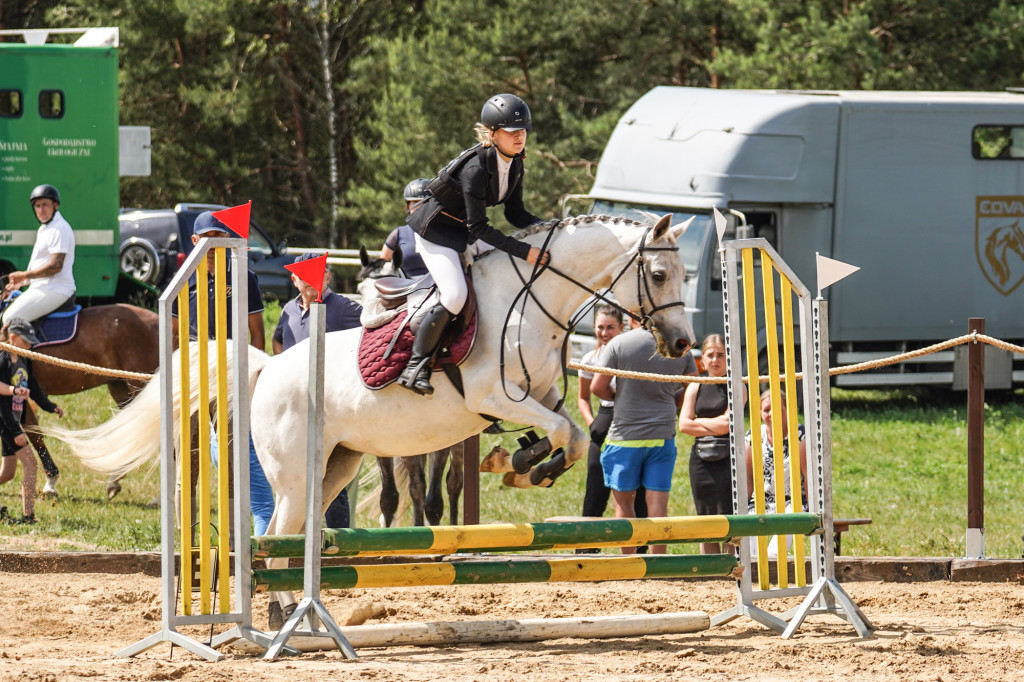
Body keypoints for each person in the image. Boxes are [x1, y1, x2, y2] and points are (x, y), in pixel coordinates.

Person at [399, 93, 550, 395]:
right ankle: (414, 365)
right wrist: (526, 251)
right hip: (434, 232)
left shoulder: (516, 163)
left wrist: (548, 228)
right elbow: (479, 226)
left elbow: (515, 213)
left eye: (522, 131)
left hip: (462, 233)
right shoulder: (476, 168)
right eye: (511, 132)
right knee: (455, 296)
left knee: (497, 279)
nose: (520, 137)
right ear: (492, 134)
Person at [171, 211, 274, 536]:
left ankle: (231, 536)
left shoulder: (244, 276)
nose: (214, 246)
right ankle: (185, 536)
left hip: (231, 377)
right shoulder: (183, 278)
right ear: (194, 241)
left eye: (220, 238)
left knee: (232, 455)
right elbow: (174, 336)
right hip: (191, 376)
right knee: (187, 462)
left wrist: (251, 377)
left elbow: (256, 333)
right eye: (208, 239)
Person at [273, 251, 363, 528]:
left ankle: (340, 545)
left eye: (318, 273)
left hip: (331, 408)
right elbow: (277, 342)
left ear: (327, 276)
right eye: (305, 275)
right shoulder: (288, 310)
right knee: (294, 478)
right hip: (295, 410)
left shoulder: (346, 308)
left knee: (331, 480)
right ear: (294, 279)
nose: (312, 280)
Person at [590, 324, 697, 554]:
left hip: (624, 437)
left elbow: (597, 387)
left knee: (623, 505)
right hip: (661, 436)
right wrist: (670, 399)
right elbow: (693, 387)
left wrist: (620, 398)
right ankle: (658, 565)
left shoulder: (618, 343)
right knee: (658, 505)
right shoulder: (679, 343)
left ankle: (629, 565)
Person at [577, 307, 648, 533]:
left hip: (632, 418)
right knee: (596, 485)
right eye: (600, 327)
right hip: (604, 417)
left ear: (621, 328)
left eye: (610, 327)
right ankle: (587, 548)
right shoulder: (590, 358)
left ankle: (639, 546)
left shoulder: (631, 355)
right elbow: (583, 397)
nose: (605, 332)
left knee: (637, 485)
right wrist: (592, 423)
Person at [678, 334, 746, 554]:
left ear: (730, 358)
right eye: (710, 355)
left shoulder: (738, 385)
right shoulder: (696, 385)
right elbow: (683, 425)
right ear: (703, 360)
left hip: (729, 459)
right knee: (704, 515)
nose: (715, 360)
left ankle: (730, 564)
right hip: (701, 460)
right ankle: (709, 568)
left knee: (728, 515)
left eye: (721, 355)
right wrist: (714, 424)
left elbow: (728, 424)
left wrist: (699, 422)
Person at [0, 318, 64, 525]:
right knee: (31, 463)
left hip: (14, 419)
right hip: (6, 420)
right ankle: (28, 517)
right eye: (25, 341)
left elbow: (33, 387)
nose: (29, 346)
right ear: (12, 337)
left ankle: (27, 516)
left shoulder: (25, 359)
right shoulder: (3, 360)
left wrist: (49, 406)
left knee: (7, 473)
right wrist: (16, 431)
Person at [745, 388, 808, 559]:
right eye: (766, 410)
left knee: (788, 519)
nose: (771, 414)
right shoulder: (753, 436)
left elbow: (808, 477)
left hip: (793, 501)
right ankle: (754, 565)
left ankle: (773, 559)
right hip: (762, 500)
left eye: (777, 409)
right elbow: (748, 478)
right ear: (759, 413)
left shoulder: (800, 435)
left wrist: (815, 512)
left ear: (787, 410)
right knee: (748, 525)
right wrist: (742, 509)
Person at [2, 185, 76, 326]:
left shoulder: (59, 228)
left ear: (55, 206)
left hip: (56, 289)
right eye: (37, 206)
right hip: (44, 287)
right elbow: (40, 265)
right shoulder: (45, 229)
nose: (41, 210)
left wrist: (24, 276)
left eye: (45, 205)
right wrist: (21, 283)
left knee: (9, 319)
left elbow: (55, 266)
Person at [379, 179, 431, 278]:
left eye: (423, 203)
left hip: (435, 286)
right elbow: (382, 263)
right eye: (414, 202)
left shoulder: (442, 233)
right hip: (404, 287)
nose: (419, 207)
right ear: (408, 206)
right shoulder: (398, 234)